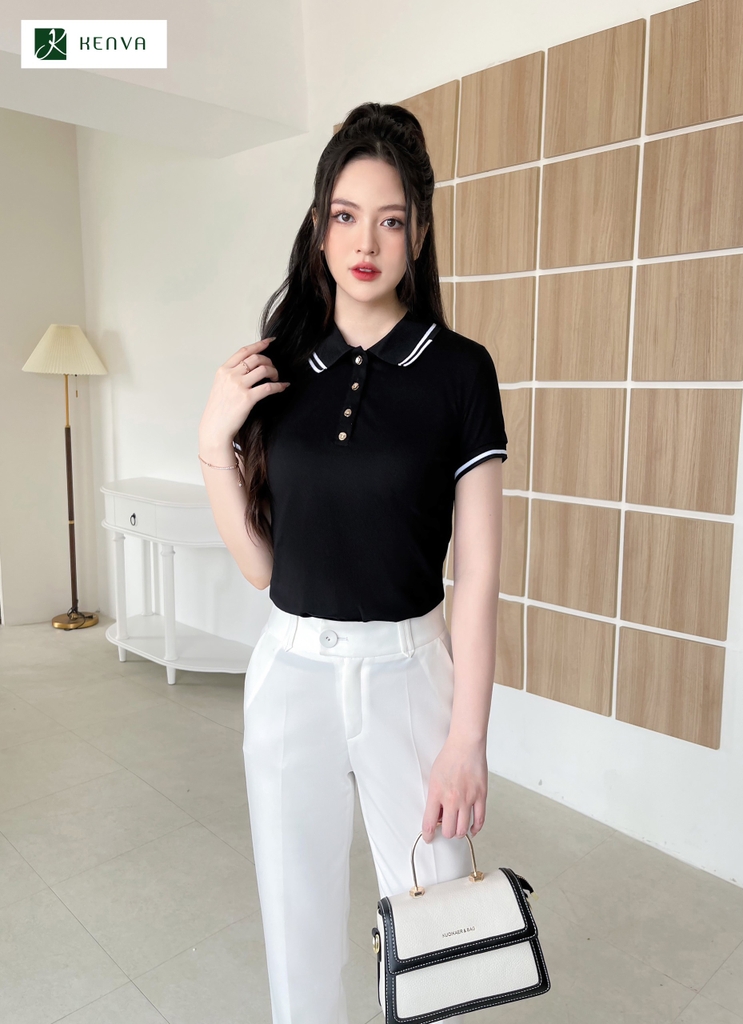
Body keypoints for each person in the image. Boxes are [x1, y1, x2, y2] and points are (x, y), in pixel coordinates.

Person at [198, 102, 507, 1024]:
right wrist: (213, 443)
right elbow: (262, 568)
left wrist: (467, 740)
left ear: (419, 233)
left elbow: (477, 577)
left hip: (409, 677)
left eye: (390, 219)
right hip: (289, 674)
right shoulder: (278, 369)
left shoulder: (460, 371)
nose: (365, 243)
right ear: (318, 225)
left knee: (442, 939)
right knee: (295, 935)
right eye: (345, 215)